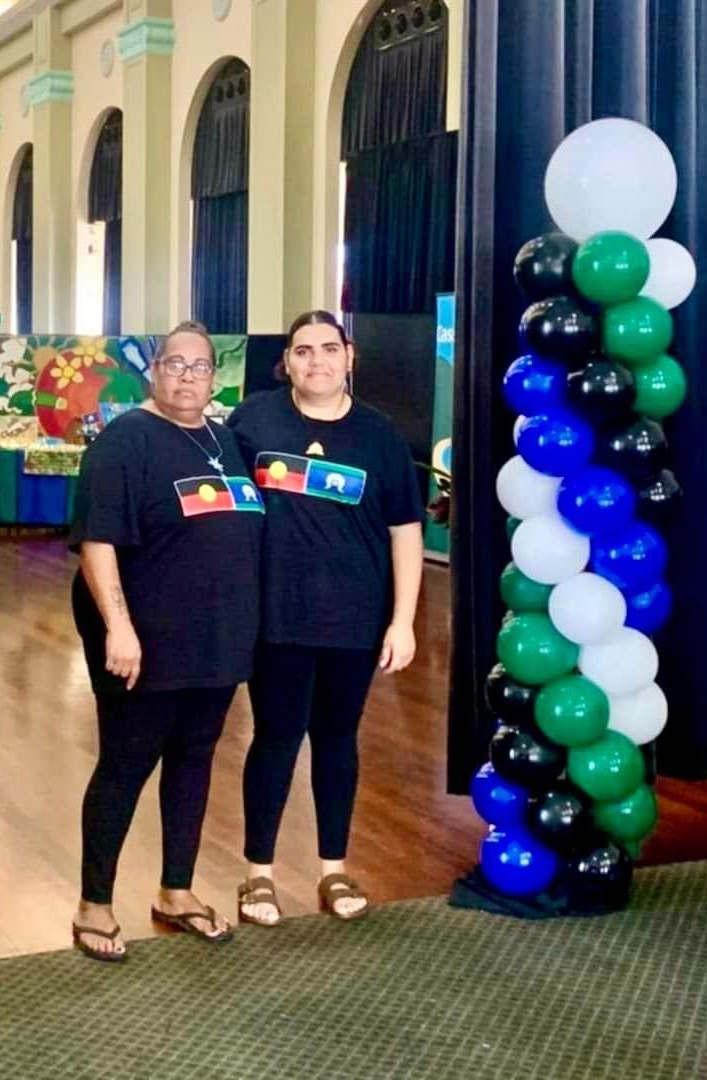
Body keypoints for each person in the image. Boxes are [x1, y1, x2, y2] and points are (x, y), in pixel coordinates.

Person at [69, 321, 264, 961]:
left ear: (215, 378)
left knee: (194, 760)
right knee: (126, 766)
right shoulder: (126, 441)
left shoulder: (226, 442)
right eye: (175, 364)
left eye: (200, 367)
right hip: (146, 643)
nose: (187, 376)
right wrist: (119, 628)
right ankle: (94, 904)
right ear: (154, 371)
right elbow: (97, 542)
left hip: (218, 641)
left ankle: (176, 891)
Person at [226, 310, 424, 926]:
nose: (317, 361)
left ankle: (333, 868)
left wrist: (403, 621)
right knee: (276, 738)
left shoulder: (380, 435)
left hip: (355, 622)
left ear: (349, 357)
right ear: (287, 361)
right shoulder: (252, 420)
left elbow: (405, 532)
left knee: (337, 741)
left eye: (329, 349)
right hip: (276, 618)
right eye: (304, 351)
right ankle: (258, 876)